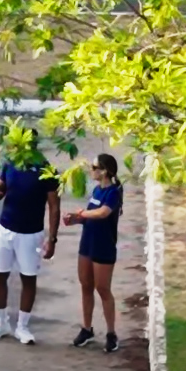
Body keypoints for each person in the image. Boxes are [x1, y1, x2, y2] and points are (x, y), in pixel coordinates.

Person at [0, 147, 62, 344]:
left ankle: (22, 327)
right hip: (4, 229)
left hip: (30, 234)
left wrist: (52, 239)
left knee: (28, 279)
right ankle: (1, 322)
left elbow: (54, 206)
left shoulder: (47, 170)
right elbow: (0, 189)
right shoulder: (11, 162)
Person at [71, 150, 126, 351]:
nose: (91, 171)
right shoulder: (96, 191)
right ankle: (87, 328)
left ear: (105, 172)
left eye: (94, 168)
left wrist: (83, 213)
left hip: (103, 247)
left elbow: (103, 213)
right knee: (86, 285)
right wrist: (77, 219)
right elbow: (91, 215)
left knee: (102, 289)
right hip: (87, 244)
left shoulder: (113, 193)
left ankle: (111, 333)